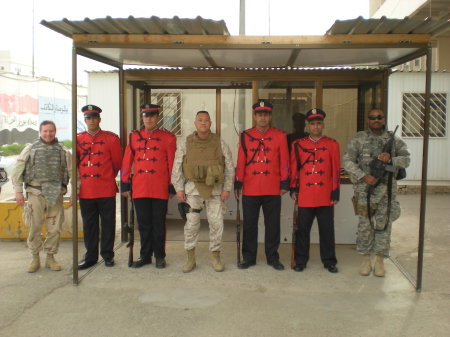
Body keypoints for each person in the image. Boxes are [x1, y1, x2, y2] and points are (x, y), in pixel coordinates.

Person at [343, 108, 410, 277]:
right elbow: (347, 160)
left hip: (386, 193)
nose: (376, 120)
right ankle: (366, 260)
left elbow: (406, 159)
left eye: (379, 117)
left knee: (384, 227)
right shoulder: (360, 138)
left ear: (383, 119)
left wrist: (391, 160)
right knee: (365, 226)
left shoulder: (393, 140)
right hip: (365, 192)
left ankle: (379, 261)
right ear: (368, 120)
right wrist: (363, 176)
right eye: (372, 117)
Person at [172, 110, 234, 273]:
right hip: (193, 191)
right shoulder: (186, 142)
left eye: (206, 120)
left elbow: (229, 166)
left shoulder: (219, 142)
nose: (203, 123)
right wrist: (178, 188)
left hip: (214, 191)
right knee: (192, 225)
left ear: (210, 123)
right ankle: (190, 259)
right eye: (200, 120)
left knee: (216, 224)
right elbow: (177, 166)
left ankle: (216, 257)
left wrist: (227, 188)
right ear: (195, 123)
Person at [234, 99, 290, 271]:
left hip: (272, 187)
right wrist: (238, 183)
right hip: (251, 187)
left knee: (273, 225)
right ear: (255, 116)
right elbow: (241, 161)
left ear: (270, 116)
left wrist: (285, 182)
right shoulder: (245, 135)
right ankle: (249, 257)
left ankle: (273, 257)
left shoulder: (280, 135)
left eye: (265, 114)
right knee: (250, 225)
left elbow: (285, 162)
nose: (263, 118)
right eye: (259, 114)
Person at [121, 104, 176, 269]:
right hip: (140, 188)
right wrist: (124, 184)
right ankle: (144, 255)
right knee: (144, 224)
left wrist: (172, 185)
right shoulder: (134, 136)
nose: (149, 119)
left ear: (157, 117)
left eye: (152, 115)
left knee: (158, 224)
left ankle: (160, 255)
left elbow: (173, 163)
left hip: (159, 187)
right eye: (146, 115)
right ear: (142, 117)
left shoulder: (168, 137)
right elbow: (126, 161)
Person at [12, 120, 70, 273]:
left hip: (56, 194)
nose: (48, 134)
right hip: (35, 193)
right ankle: (35, 257)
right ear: (40, 132)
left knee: (55, 228)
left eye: (51, 131)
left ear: (55, 132)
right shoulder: (30, 149)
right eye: (45, 131)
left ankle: (50, 257)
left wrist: (74, 193)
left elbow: (71, 172)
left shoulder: (63, 150)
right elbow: (17, 171)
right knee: (35, 226)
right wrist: (18, 191)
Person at [290, 108, 340, 273]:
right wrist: (293, 188)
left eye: (319, 123)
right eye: (312, 124)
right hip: (305, 195)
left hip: (325, 195)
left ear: (323, 125)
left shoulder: (332, 144)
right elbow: (294, 169)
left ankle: (329, 261)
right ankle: (301, 260)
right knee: (302, 230)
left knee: (327, 230)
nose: (316, 127)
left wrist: (335, 192)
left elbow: (335, 170)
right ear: (308, 125)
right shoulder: (298, 145)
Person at [76, 105, 122, 270]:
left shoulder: (111, 139)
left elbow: (117, 163)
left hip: (105, 189)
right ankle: (90, 257)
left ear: (99, 119)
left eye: (95, 117)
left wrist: (106, 175)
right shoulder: (78, 139)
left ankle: (108, 255)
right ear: (85, 120)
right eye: (88, 118)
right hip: (86, 190)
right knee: (89, 225)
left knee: (108, 224)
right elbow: (74, 165)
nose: (92, 121)